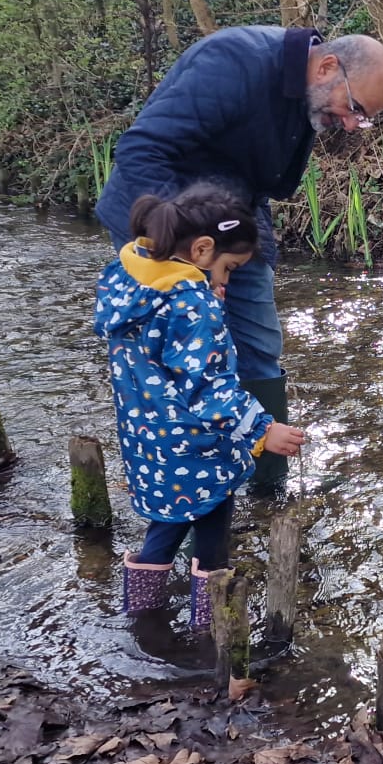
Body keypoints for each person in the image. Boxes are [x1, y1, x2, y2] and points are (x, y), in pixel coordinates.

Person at [95, 26, 383, 493]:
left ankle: (267, 489)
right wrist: (187, 254)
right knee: (177, 355)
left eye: (364, 119)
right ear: (326, 67)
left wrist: (244, 249)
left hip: (234, 220)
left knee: (258, 343)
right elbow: (141, 152)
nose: (354, 125)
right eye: (355, 108)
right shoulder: (233, 63)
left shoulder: (309, 94)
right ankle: (184, 485)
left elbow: (257, 178)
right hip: (164, 225)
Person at [96, 184, 308, 628]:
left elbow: (164, 349)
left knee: (168, 523)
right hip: (196, 444)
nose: (225, 281)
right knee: (212, 531)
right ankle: (211, 628)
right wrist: (262, 429)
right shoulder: (192, 304)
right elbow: (208, 387)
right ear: (202, 249)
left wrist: (204, 296)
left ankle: (142, 622)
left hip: (148, 439)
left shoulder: (128, 278)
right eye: (228, 268)